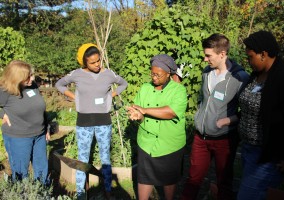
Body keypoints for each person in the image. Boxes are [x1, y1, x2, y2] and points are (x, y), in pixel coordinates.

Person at [181, 33, 249, 200]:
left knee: (223, 181)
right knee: (193, 179)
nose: (205, 59)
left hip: (224, 140)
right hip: (200, 138)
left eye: (208, 55)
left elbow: (249, 111)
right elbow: (203, 100)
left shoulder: (240, 78)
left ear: (222, 54)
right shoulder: (206, 73)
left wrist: (229, 120)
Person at [55, 43, 128, 199]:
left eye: (99, 60)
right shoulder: (77, 74)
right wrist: (74, 96)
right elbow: (59, 84)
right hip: (84, 122)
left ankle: (108, 190)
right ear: (84, 63)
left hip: (104, 122)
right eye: (93, 62)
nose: (97, 65)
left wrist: (111, 95)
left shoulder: (108, 74)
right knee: (82, 158)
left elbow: (123, 83)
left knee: (105, 157)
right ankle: (81, 193)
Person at [237, 30, 284, 200]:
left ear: (263, 54)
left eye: (251, 57)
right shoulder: (256, 76)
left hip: (268, 158)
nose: (248, 61)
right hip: (248, 150)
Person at [127, 54, 187, 200]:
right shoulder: (145, 88)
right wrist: (137, 115)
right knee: (144, 178)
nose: (154, 77)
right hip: (146, 143)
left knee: (169, 180)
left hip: (169, 145)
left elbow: (171, 112)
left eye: (158, 75)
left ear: (168, 74)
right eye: (152, 73)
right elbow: (140, 113)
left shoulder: (178, 90)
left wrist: (145, 110)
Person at [0, 60, 50, 184]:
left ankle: (42, 193)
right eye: (28, 76)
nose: (32, 79)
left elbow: (41, 108)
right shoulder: (5, 91)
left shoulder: (32, 86)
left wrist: (46, 127)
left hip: (39, 135)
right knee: (21, 172)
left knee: (42, 169)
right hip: (18, 137)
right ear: (16, 78)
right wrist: (2, 115)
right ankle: (23, 194)